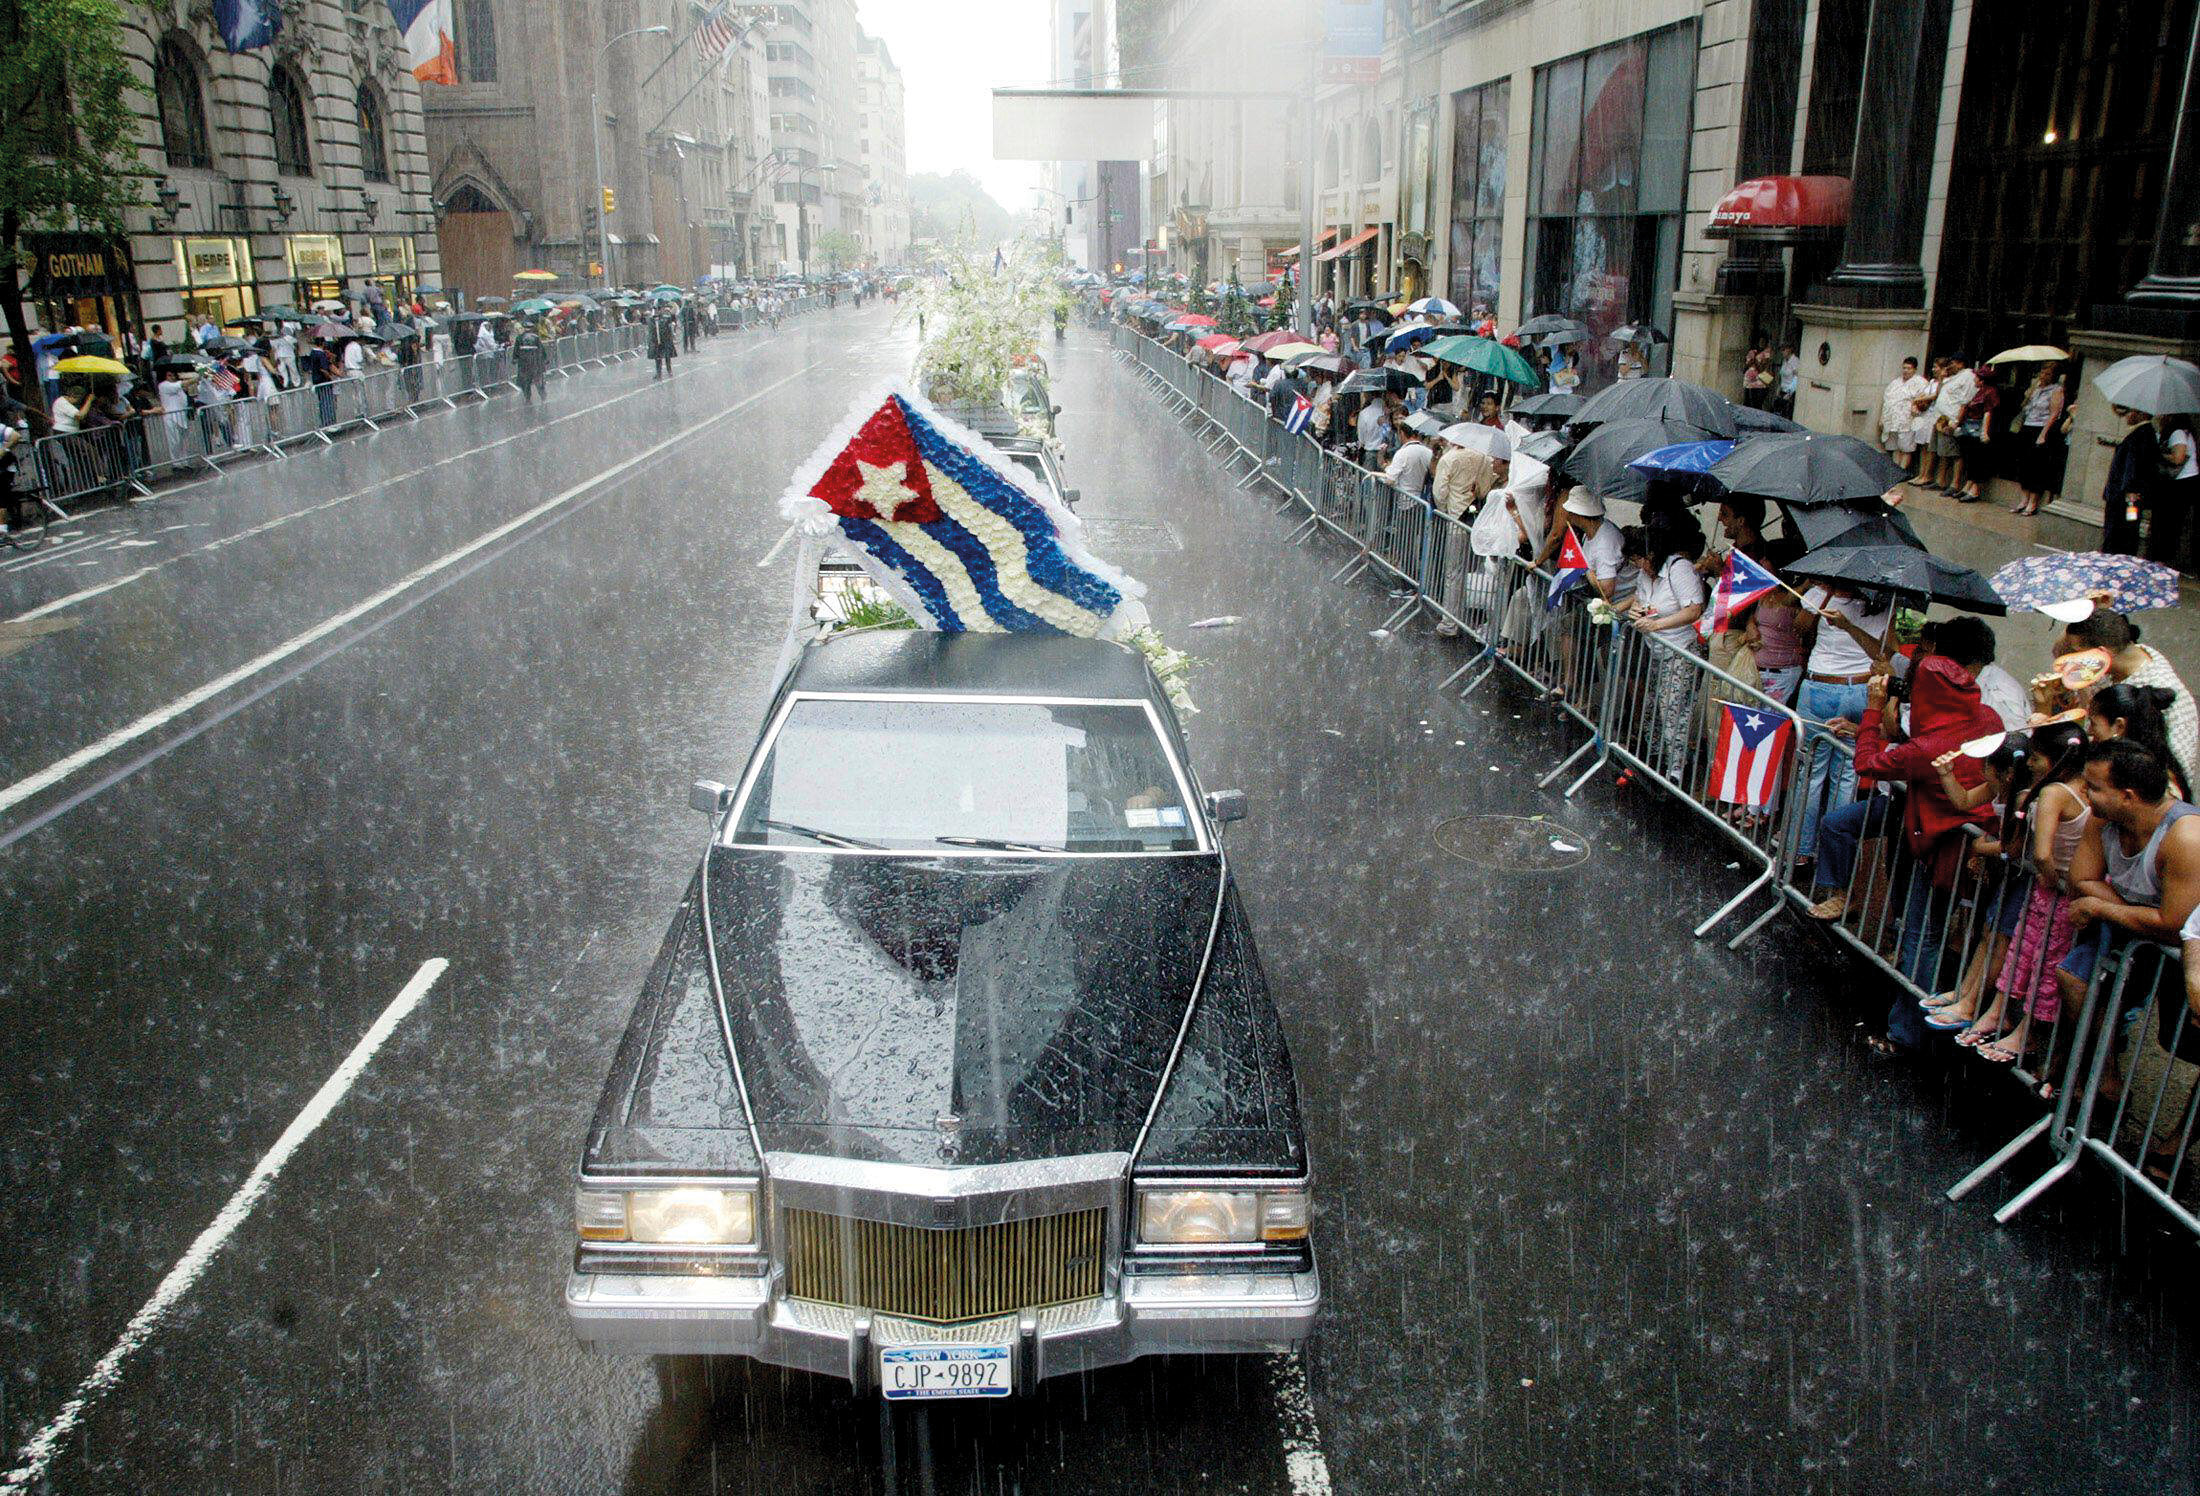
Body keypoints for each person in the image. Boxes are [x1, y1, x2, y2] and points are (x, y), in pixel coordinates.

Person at [1848, 618, 2008, 1052]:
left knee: (1923, 935)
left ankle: (1907, 1033)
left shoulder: (1928, 748)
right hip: (1969, 844)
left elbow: (1867, 763)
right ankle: (1918, 1019)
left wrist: (1871, 710)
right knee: (1931, 933)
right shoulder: (1988, 718)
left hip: (1945, 848)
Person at [1942, 723, 2091, 1061]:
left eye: (2037, 758)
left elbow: (2035, 853)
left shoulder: (2051, 793)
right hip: (2052, 891)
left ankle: (2024, 1030)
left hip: (2051, 891)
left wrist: (2050, 880)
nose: (2032, 765)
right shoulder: (2066, 790)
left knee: (2037, 961)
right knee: (2025, 956)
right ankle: (2000, 1014)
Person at [2051, 739, 2200, 1047]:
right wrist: (2138, 914)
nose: (2083, 793)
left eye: (2093, 787)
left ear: (2127, 796)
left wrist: (2100, 906)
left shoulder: (2185, 837)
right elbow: (2081, 880)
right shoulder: (2102, 819)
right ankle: (2101, 1078)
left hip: (2178, 952)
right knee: (2073, 977)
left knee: (2177, 1041)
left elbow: (2173, 926)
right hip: (2136, 935)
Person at [1792, 582, 1896, 870]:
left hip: (1820, 687)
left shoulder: (1822, 592)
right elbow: (1886, 654)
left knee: (1810, 774)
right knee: (1846, 777)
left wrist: (1820, 594)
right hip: (1860, 691)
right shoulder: (1885, 604)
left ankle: (1799, 850)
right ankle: (1830, 856)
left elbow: (1798, 627)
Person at [2056, 610, 2199, 775]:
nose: (2071, 660)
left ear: (2102, 653)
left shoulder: (2164, 691)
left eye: (2076, 653)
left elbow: (2178, 771)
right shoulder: (2106, 668)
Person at [1628, 513, 1708, 774]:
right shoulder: (1646, 576)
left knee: (1673, 708)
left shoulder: (1679, 569)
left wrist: (1656, 625)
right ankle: (1654, 756)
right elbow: (1641, 601)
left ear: (1652, 555)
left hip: (1681, 650)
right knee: (1653, 706)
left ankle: (1676, 768)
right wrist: (1638, 612)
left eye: (1640, 559)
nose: (1639, 565)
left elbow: (1694, 610)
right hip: (1657, 650)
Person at [2012, 363, 2068, 516]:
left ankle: (2033, 502)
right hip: (2028, 425)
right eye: (2042, 373)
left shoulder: (2056, 390)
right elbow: (2025, 406)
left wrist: (2043, 434)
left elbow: (2054, 413)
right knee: (2023, 464)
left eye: (2047, 374)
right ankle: (2023, 499)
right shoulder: (2036, 389)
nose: (2043, 376)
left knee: (2036, 466)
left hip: (2041, 427)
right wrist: (2030, 391)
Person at [1916, 352, 1976, 495]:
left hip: (1951, 418)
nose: (1950, 366)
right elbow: (1940, 392)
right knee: (1941, 451)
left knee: (1954, 453)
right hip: (1940, 417)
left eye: (1953, 363)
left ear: (1961, 363)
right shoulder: (1953, 377)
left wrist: (1956, 422)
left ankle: (1954, 484)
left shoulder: (1968, 377)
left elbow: (1965, 402)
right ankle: (1940, 480)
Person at [2100, 404, 2155, 555]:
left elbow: (2134, 466)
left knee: (2122, 531)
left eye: (2131, 412)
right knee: (2126, 528)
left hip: (2125, 497)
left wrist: (2130, 489)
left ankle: (2115, 559)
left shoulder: (2142, 435)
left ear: (2141, 413)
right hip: (2126, 496)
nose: (2127, 416)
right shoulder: (2142, 433)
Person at [2151, 413, 2196, 567]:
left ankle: (2161, 558)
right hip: (2182, 483)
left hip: (2179, 484)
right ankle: (2162, 557)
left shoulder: (2177, 433)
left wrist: (2159, 454)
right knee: (2170, 522)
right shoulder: (2183, 432)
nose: (2160, 417)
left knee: (2168, 521)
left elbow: (2178, 458)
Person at [1955, 364, 2001, 502]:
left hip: (1978, 427)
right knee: (1969, 457)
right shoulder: (1978, 391)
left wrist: (1984, 432)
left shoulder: (1990, 392)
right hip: (1969, 427)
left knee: (1977, 459)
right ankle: (1967, 485)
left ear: (1982, 380)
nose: (1974, 379)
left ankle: (1975, 489)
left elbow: (1988, 412)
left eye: (1976, 377)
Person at [1880, 357, 1930, 472]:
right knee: (1895, 446)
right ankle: (1895, 469)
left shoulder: (1921, 383)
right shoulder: (1895, 383)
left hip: (1908, 419)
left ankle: (1902, 470)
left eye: (1909, 368)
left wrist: (1916, 407)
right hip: (1892, 418)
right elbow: (1886, 401)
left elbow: (1924, 401)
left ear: (1914, 369)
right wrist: (1882, 418)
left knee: (1905, 447)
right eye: (1904, 368)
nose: (1906, 370)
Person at [1381, 424, 1433, 499]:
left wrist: (1387, 468)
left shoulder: (1402, 453)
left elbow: (1390, 479)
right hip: (1422, 498)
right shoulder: (1429, 452)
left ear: (1402, 433)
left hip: (1405, 498)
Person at [513, 320, 547, 403]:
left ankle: (528, 398)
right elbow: (541, 350)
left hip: (524, 364)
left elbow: (516, 351)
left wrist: (514, 359)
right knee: (538, 380)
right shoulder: (536, 337)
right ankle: (542, 396)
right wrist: (545, 359)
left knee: (526, 382)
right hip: (535, 363)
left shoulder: (519, 338)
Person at [650, 307, 678, 380]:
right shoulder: (652, 319)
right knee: (658, 358)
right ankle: (658, 373)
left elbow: (673, 319)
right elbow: (650, 329)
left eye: (658, 310)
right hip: (656, 341)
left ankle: (669, 370)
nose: (657, 312)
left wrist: (672, 313)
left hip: (665, 340)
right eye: (655, 310)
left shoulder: (666, 318)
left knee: (667, 356)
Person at [1775, 344, 1799, 418]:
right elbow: (1782, 376)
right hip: (1783, 390)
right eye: (1781, 350)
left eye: (1784, 350)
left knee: (1786, 414)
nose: (1782, 352)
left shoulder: (1795, 361)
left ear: (1789, 349)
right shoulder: (1785, 361)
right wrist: (1779, 387)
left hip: (1790, 392)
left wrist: (1789, 392)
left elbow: (1796, 378)